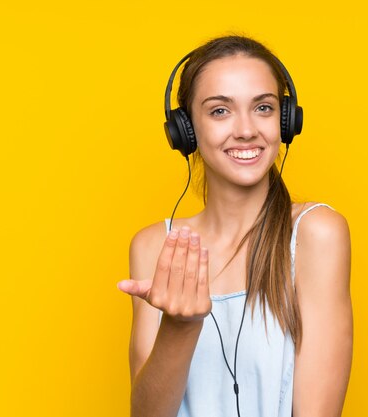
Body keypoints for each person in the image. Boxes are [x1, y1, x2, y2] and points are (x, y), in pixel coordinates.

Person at [117, 35, 353, 417]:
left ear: (286, 121)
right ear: (185, 130)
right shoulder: (153, 245)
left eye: (263, 107)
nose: (246, 130)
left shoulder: (316, 234)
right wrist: (180, 326)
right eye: (220, 111)